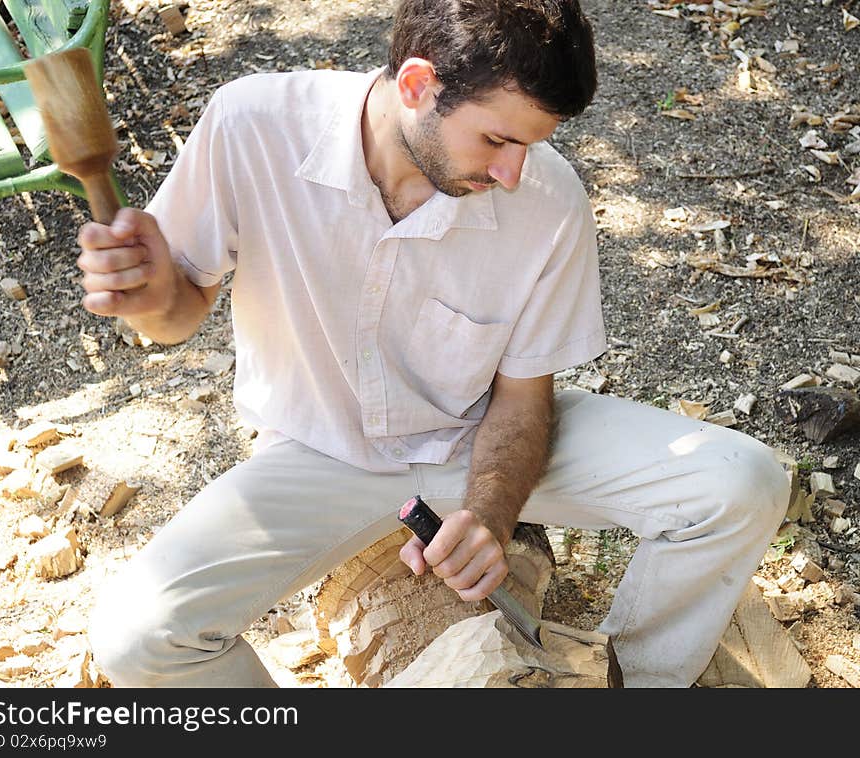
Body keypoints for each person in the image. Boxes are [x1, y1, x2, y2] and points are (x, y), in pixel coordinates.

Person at [80, 0, 789, 688]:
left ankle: (636, 684)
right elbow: (174, 315)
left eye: (533, 145)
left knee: (739, 483)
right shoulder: (255, 125)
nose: (514, 173)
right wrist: (150, 297)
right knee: (140, 638)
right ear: (418, 85)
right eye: (498, 140)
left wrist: (488, 516)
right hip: (317, 452)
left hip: (475, 435)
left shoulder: (547, 199)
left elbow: (521, 397)